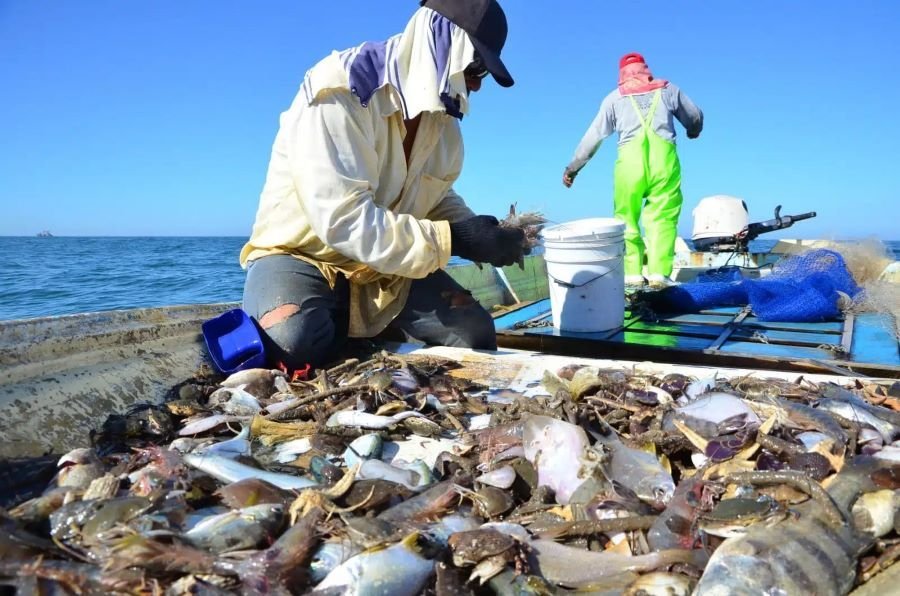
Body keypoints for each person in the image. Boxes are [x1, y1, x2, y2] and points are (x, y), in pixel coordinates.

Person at [239, 0, 524, 372]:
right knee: (293, 342)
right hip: (303, 255)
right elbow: (344, 219)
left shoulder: (444, 124)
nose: (475, 84)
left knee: (474, 334)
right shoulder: (342, 89)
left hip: (383, 269)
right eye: (474, 67)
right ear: (435, 43)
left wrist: (484, 236)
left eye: (482, 74)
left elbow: (435, 195)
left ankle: (360, 328)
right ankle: (342, 324)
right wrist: (457, 239)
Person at [562, 53, 703, 289]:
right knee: (663, 217)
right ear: (645, 69)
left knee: (626, 219)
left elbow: (593, 138)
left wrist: (572, 169)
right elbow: (694, 116)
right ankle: (658, 274)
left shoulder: (613, 99)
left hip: (629, 166)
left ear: (621, 74)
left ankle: (632, 275)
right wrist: (693, 130)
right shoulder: (667, 89)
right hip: (664, 164)